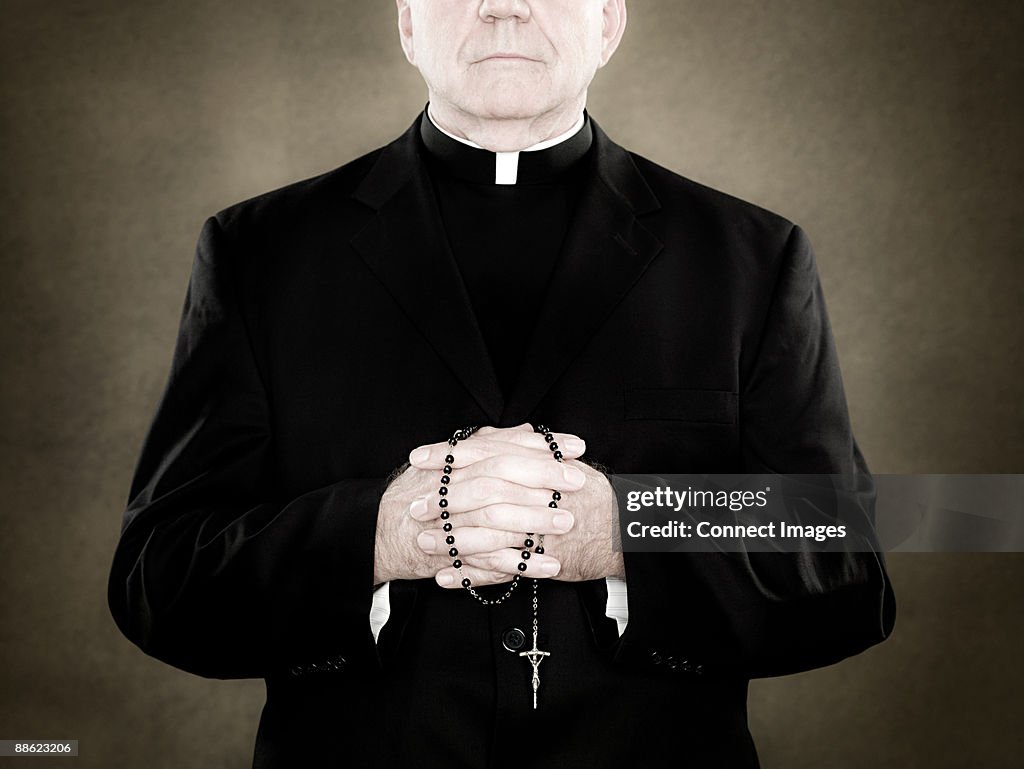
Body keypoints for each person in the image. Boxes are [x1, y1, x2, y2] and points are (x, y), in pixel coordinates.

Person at [108, 1, 896, 767]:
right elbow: (159, 577)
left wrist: (624, 528)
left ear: (610, 23)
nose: (505, 8)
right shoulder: (260, 253)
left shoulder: (750, 258)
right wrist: (380, 535)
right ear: (409, 22)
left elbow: (846, 563)